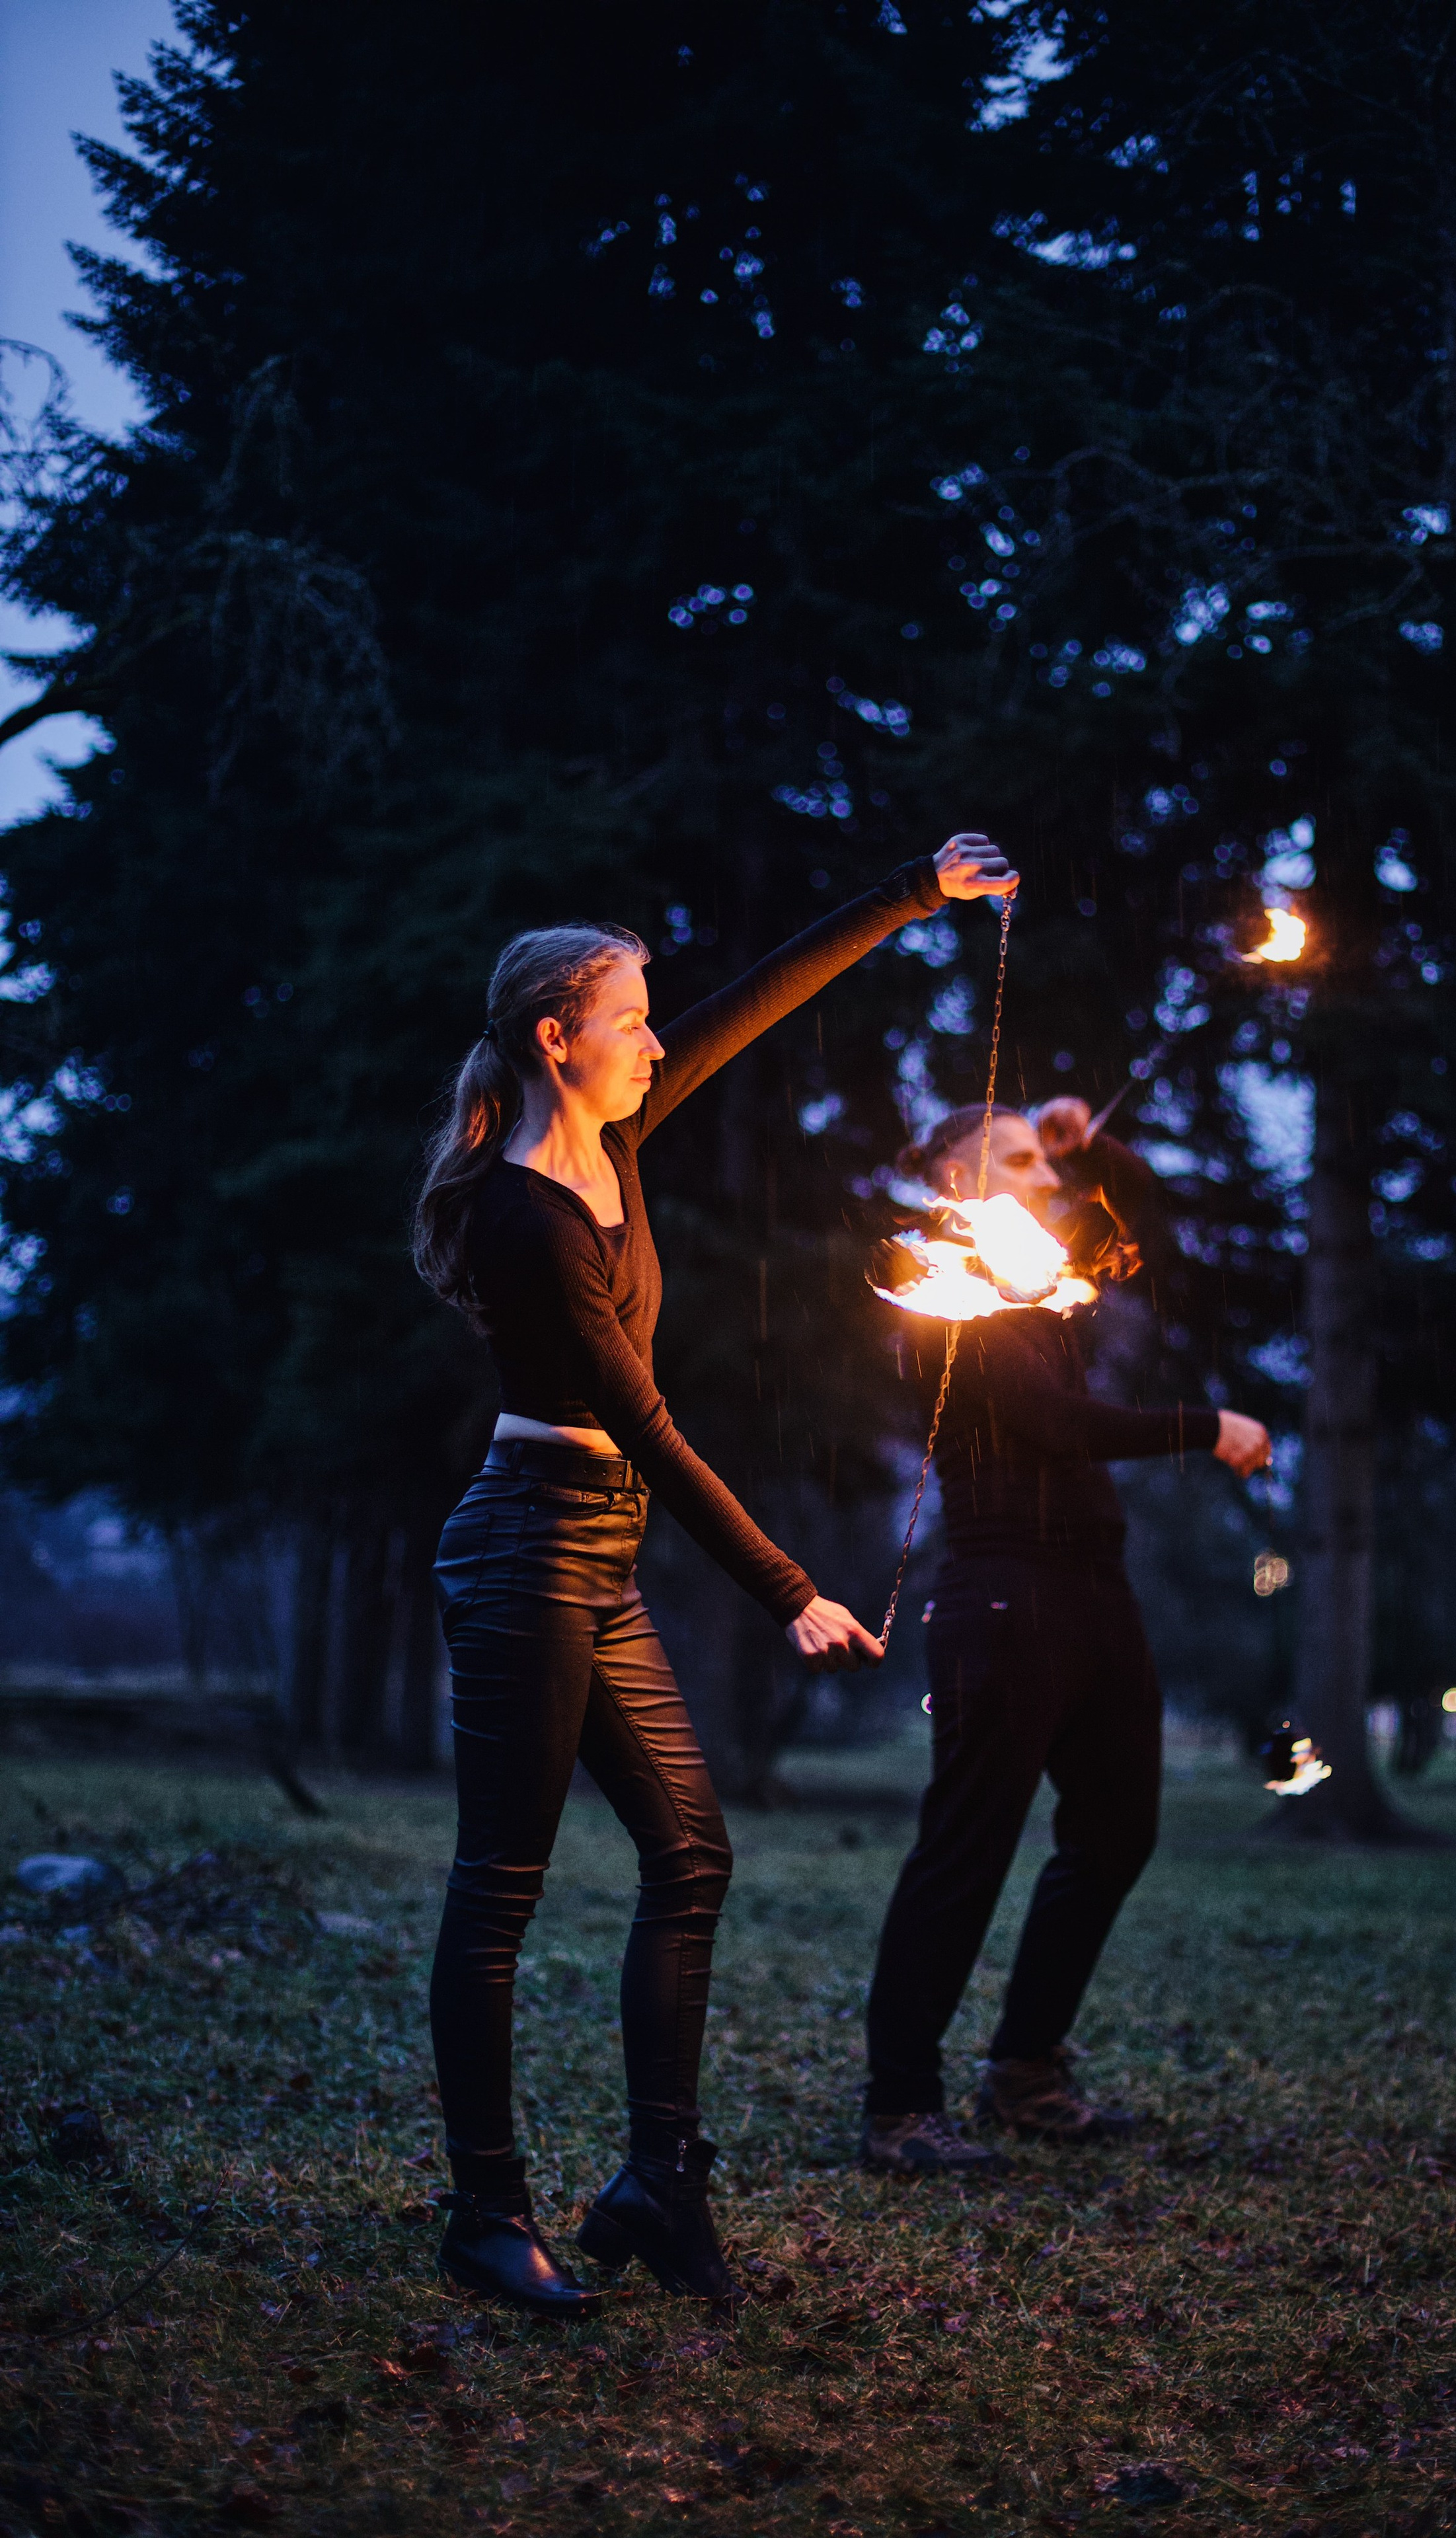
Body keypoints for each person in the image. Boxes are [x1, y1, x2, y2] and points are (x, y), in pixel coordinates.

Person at [410, 834, 1016, 2311]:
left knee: (691, 1854)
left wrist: (908, 897)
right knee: (502, 1885)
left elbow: (755, 1003)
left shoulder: (610, 1150)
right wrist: (785, 1586)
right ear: (557, 1038)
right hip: (527, 1546)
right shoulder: (517, 1212)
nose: (652, 1041)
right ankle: (487, 2217)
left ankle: (658, 2187)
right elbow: (642, 1420)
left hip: (596, 1554)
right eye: (626, 1019)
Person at [861, 1098, 1271, 2173]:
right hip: (1003, 1595)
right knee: (969, 1845)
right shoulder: (937, 1291)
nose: (1038, 1174)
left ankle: (1024, 2072)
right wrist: (1205, 1425)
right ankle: (900, 2108)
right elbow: (1052, 1421)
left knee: (1116, 1833)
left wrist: (1091, 1146)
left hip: (1095, 1590)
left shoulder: (1043, 1279)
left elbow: (1142, 1218)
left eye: (1040, 1160)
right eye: (1011, 1159)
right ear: (954, 1182)